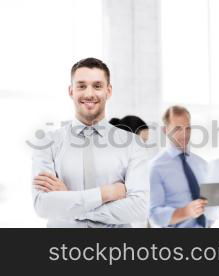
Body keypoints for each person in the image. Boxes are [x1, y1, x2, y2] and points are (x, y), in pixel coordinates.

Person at [31, 57, 149, 227]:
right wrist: (106, 193)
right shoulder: (47, 143)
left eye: (97, 86)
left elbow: (139, 208)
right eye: (81, 86)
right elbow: (43, 206)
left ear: (108, 91)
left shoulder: (133, 144)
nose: (89, 93)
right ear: (71, 91)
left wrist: (70, 201)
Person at [149, 105, 208, 228]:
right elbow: (154, 216)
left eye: (188, 128)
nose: (185, 134)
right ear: (165, 130)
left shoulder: (202, 164)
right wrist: (185, 212)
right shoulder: (156, 167)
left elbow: (212, 207)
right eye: (178, 129)